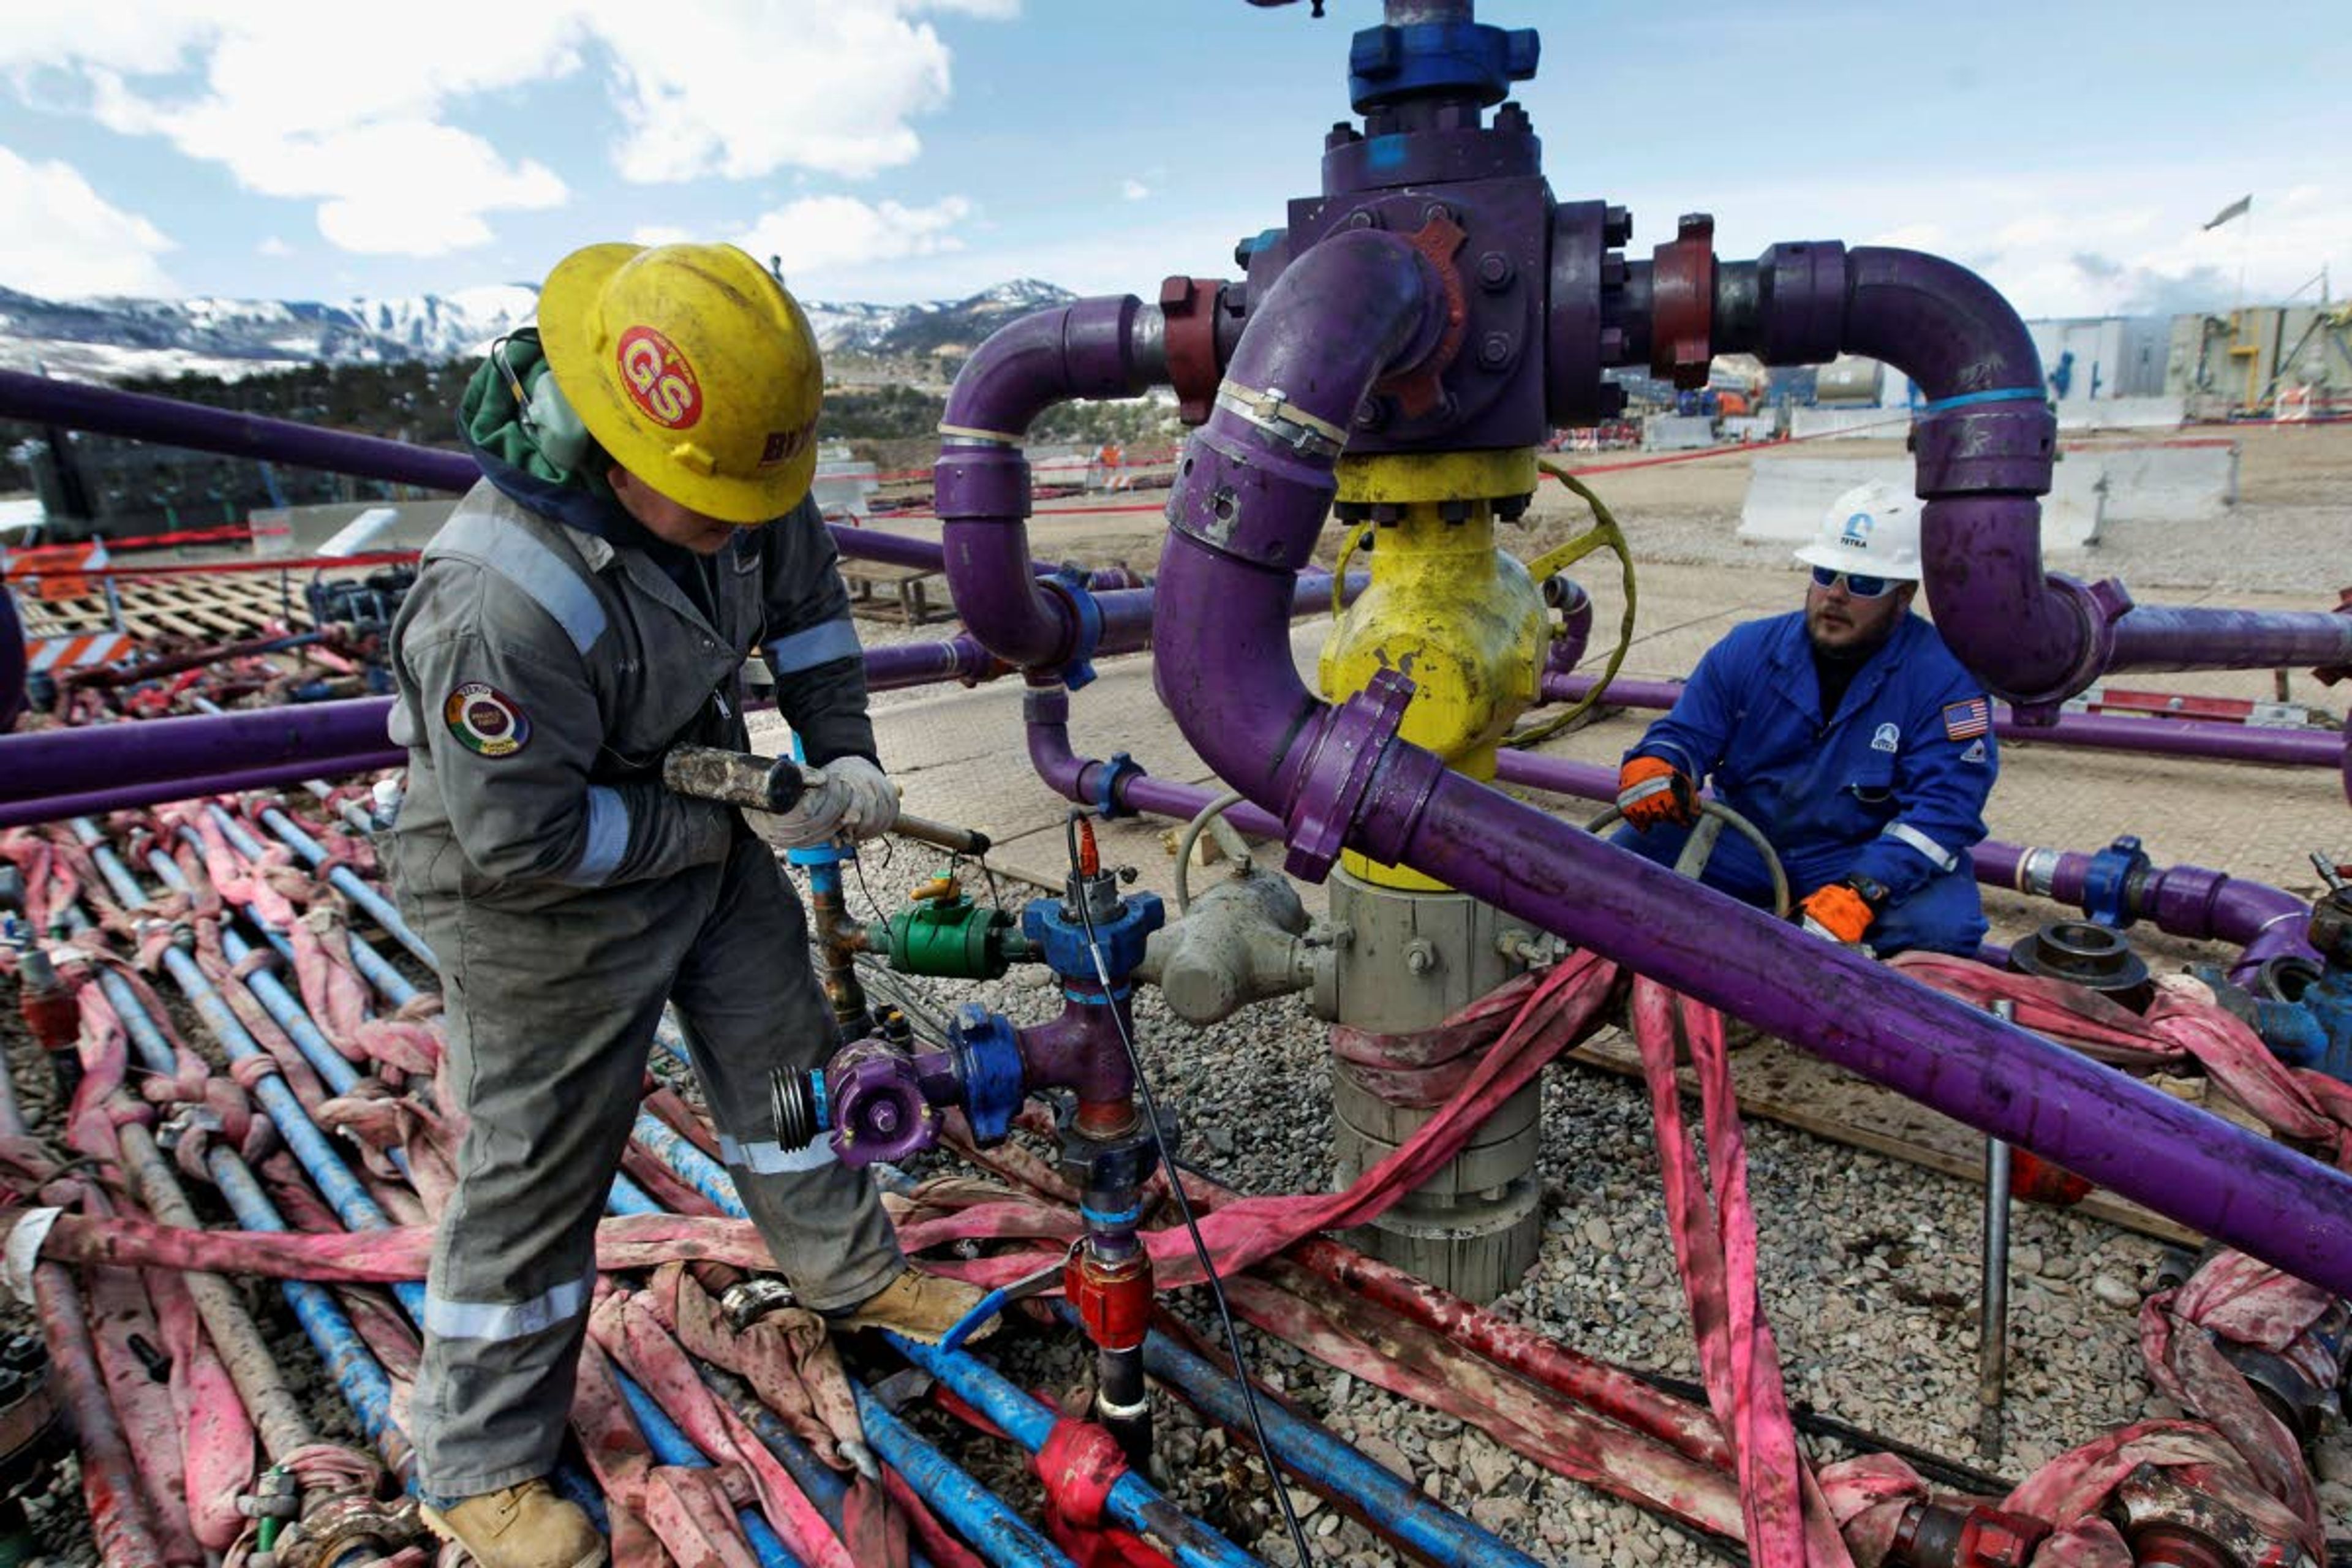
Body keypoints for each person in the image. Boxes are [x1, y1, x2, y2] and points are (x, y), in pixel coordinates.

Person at [386, 241, 985, 1568]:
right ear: (616, 450)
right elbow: (522, 833)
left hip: (697, 835)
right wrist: (719, 814)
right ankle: (473, 1462)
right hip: (531, 893)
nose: (743, 524)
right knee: (537, 1173)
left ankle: (849, 1271)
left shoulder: (735, 464)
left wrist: (845, 755)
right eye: (714, 506)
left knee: (790, 1067)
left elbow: (812, 610)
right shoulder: (496, 600)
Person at [1611, 481, 1997, 958]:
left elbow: (1945, 811)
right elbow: (1686, 733)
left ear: (1904, 596)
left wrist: (1865, 890)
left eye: (1864, 583)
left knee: (1942, 931)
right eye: (1826, 572)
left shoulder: (1943, 680)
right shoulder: (1748, 650)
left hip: (1858, 853)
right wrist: (1659, 763)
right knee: (1618, 863)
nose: (1836, 595)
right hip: (1746, 844)